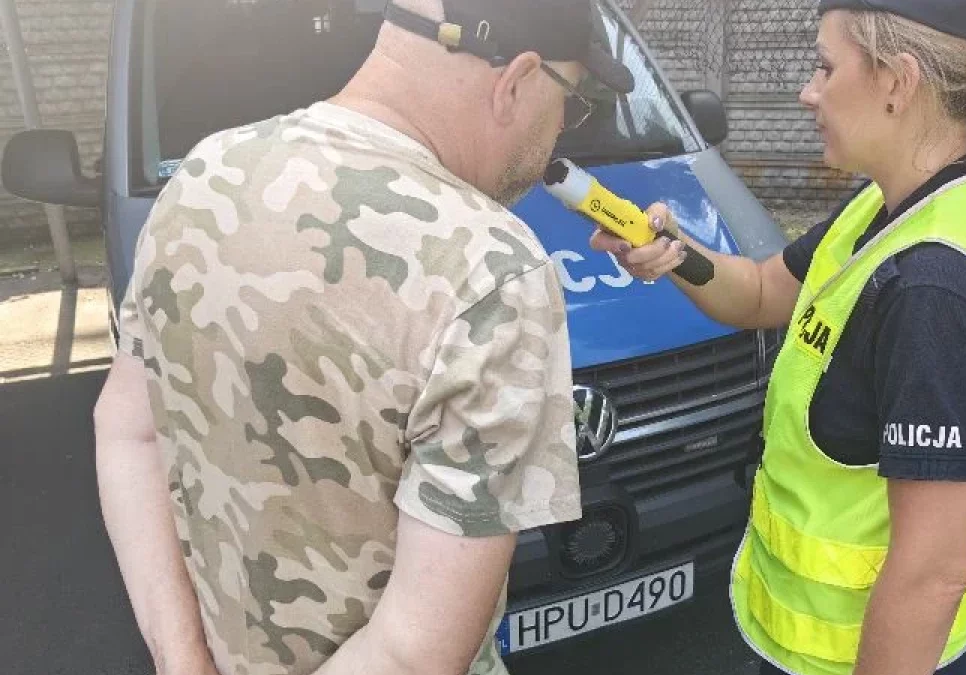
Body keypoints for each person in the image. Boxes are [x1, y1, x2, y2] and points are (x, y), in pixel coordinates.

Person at [92, 2, 635, 675]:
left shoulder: (204, 174)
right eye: (572, 103)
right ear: (517, 80)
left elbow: (126, 430)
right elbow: (414, 654)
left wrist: (180, 659)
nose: (561, 135)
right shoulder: (492, 268)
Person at [591, 1, 966, 674]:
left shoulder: (937, 288)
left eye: (824, 66)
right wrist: (672, 251)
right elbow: (757, 291)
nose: (808, 91)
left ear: (897, 82)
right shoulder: (890, 205)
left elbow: (933, 569)